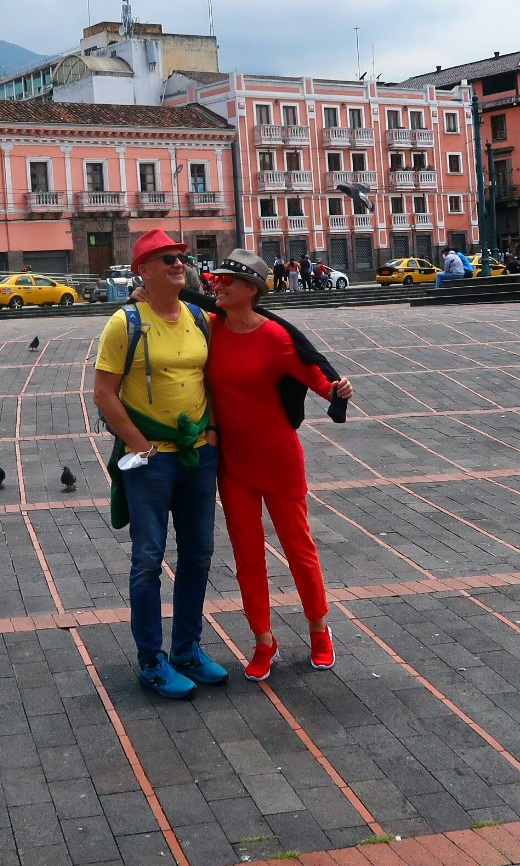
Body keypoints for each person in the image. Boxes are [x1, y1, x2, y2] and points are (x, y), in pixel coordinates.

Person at [200, 249, 354, 680]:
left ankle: (319, 630)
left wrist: (339, 390)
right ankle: (263, 640)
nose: (219, 285)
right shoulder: (210, 329)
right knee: (247, 557)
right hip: (233, 463)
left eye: (228, 280)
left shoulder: (276, 338)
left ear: (250, 290)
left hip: (279, 458)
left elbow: (318, 377)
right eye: (218, 279)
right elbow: (182, 307)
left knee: (299, 551)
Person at [93, 229, 227, 700]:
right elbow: (104, 393)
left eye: (181, 257)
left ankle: (187, 649)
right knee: (148, 559)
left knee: (198, 554)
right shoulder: (125, 323)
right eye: (166, 258)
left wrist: (210, 435)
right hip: (151, 462)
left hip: (197, 457)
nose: (177, 264)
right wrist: (139, 445)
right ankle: (152, 661)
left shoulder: (198, 317)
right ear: (142, 271)